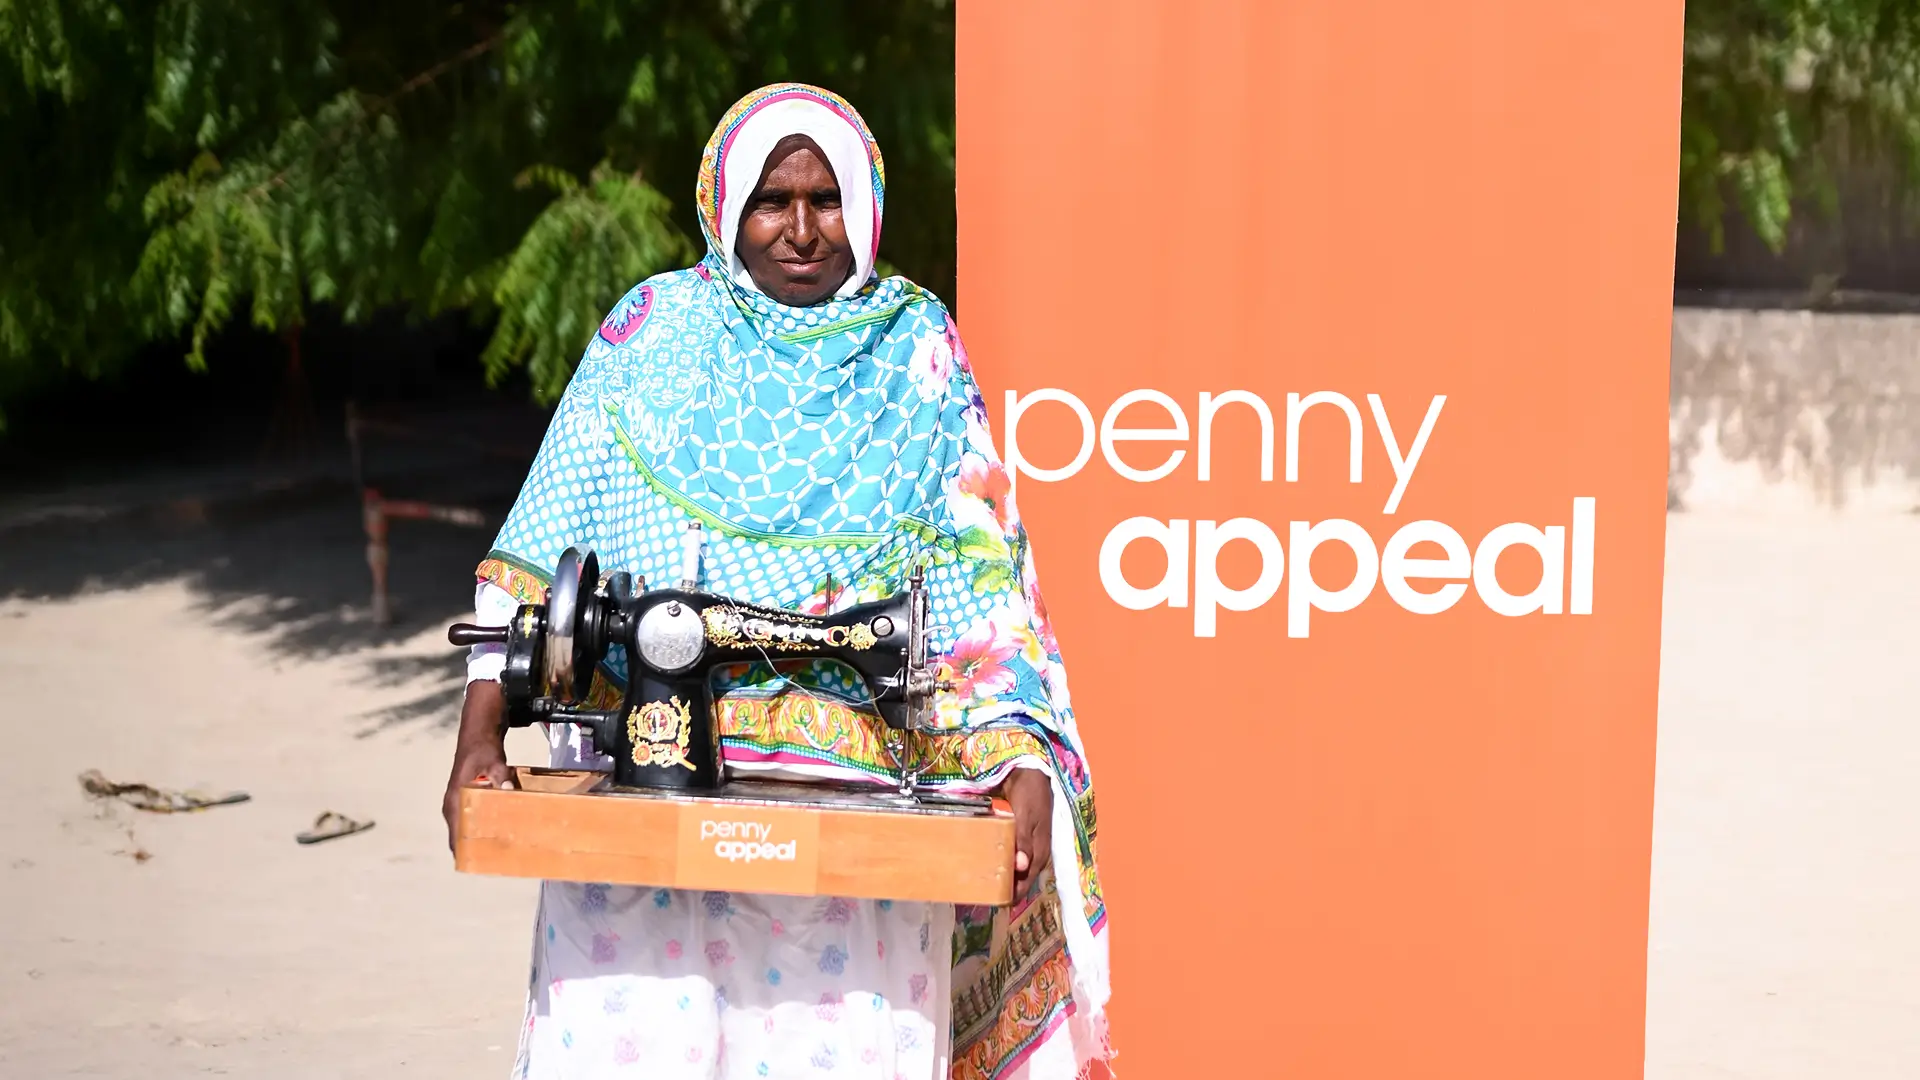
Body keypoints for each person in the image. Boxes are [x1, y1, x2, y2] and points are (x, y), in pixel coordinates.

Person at [442, 83, 1110, 1080]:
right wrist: (478, 737)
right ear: (726, 207)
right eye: (772, 200)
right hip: (646, 811)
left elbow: (982, 591)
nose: (802, 230)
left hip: (861, 826)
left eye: (826, 199)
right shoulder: (654, 333)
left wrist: (1021, 769)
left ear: (866, 205)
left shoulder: (912, 348)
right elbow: (540, 550)